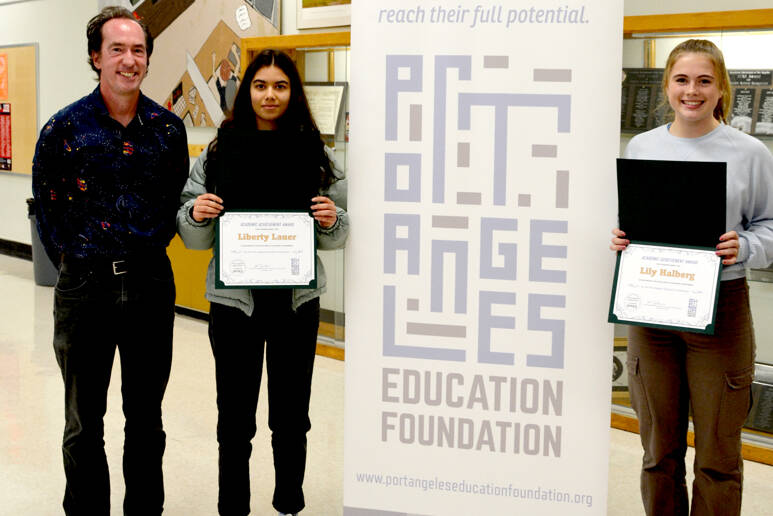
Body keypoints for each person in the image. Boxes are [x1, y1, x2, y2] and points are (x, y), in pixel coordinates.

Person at [177, 49, 349, 516]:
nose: (269, 95)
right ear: (246, 91)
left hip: (296, 303)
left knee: (292, 419)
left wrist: (332, 221)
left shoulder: (316, 152)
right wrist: (196, 214)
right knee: (234, 420)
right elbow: (190, 234)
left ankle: (289, 504)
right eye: (259, 85)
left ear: (293, 93)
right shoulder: (218, 151)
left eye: (280, 86)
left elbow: (338, 232)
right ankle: (233, 507)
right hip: (236, 304)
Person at [31, 6, 189, 515]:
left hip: (148, 283)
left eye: (138, 49)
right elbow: (48, 206)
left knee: (146, 418)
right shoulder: (64, 128)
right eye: (117, 49)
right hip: (85, 289)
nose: (129, 60)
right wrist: (79, 261)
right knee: (83, 421)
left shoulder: (166, 130)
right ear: (95, 57)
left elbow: (172, 203)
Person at [610, 39, 773, 516]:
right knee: (658, 452)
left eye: (705, 80)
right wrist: (621, 238)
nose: (692, 91)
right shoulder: (642, 146)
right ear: (667, 86)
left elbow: (769, 226)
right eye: (682, 80)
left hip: (721, 311)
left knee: (719, 456)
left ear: (721, 88)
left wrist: (744, 245)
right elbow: (632, 219)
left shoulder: (749, 153)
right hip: (652, 309)